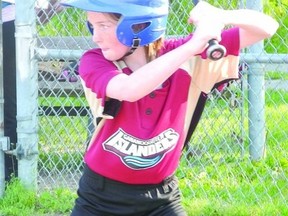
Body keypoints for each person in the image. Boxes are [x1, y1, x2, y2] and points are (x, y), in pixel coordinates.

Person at [61, 0, 278, 215]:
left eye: (103, 26)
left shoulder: (186, 59)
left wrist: (221, 16)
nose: (95, 36)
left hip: (161, 199)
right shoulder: (95, 61)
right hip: (100, 200)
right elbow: (129, 89)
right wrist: (193, 45)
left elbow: (267, 27)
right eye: (92, 25)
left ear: (138, 25)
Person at [1, 0, 63, 182]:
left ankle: (11, 174)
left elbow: (47, 10)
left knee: (12, 101)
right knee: (12, 101)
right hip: (13, 18)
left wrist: (50, 6)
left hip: (11, 20)